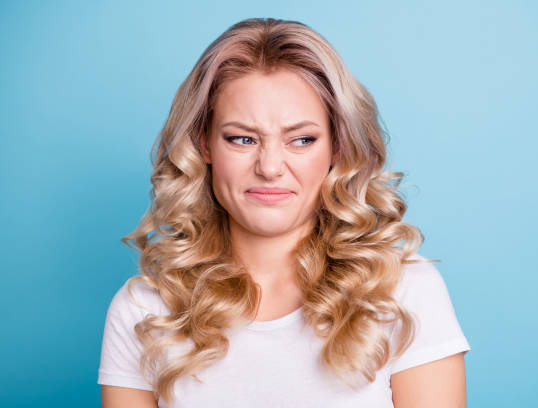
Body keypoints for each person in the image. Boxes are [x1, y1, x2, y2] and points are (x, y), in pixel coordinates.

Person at [97, 17, 471, 407]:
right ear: (204, 145)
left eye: (301, 140)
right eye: (242, 138)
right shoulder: (145, 310)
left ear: (337, 149)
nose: (270, 167)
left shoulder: (402, 293)